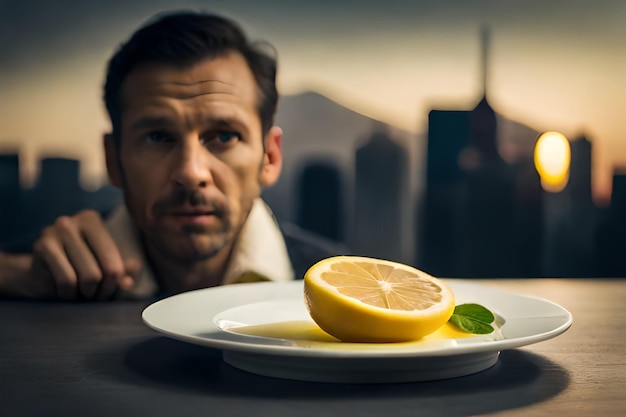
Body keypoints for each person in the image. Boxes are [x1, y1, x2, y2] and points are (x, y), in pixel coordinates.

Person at [0, 10, 347, 301]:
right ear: (113, 160)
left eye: (225, 136)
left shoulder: (343, 286)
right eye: (157, 137)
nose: (191, 171)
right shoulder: (41, 268)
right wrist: (16, 276)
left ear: (269, 157)